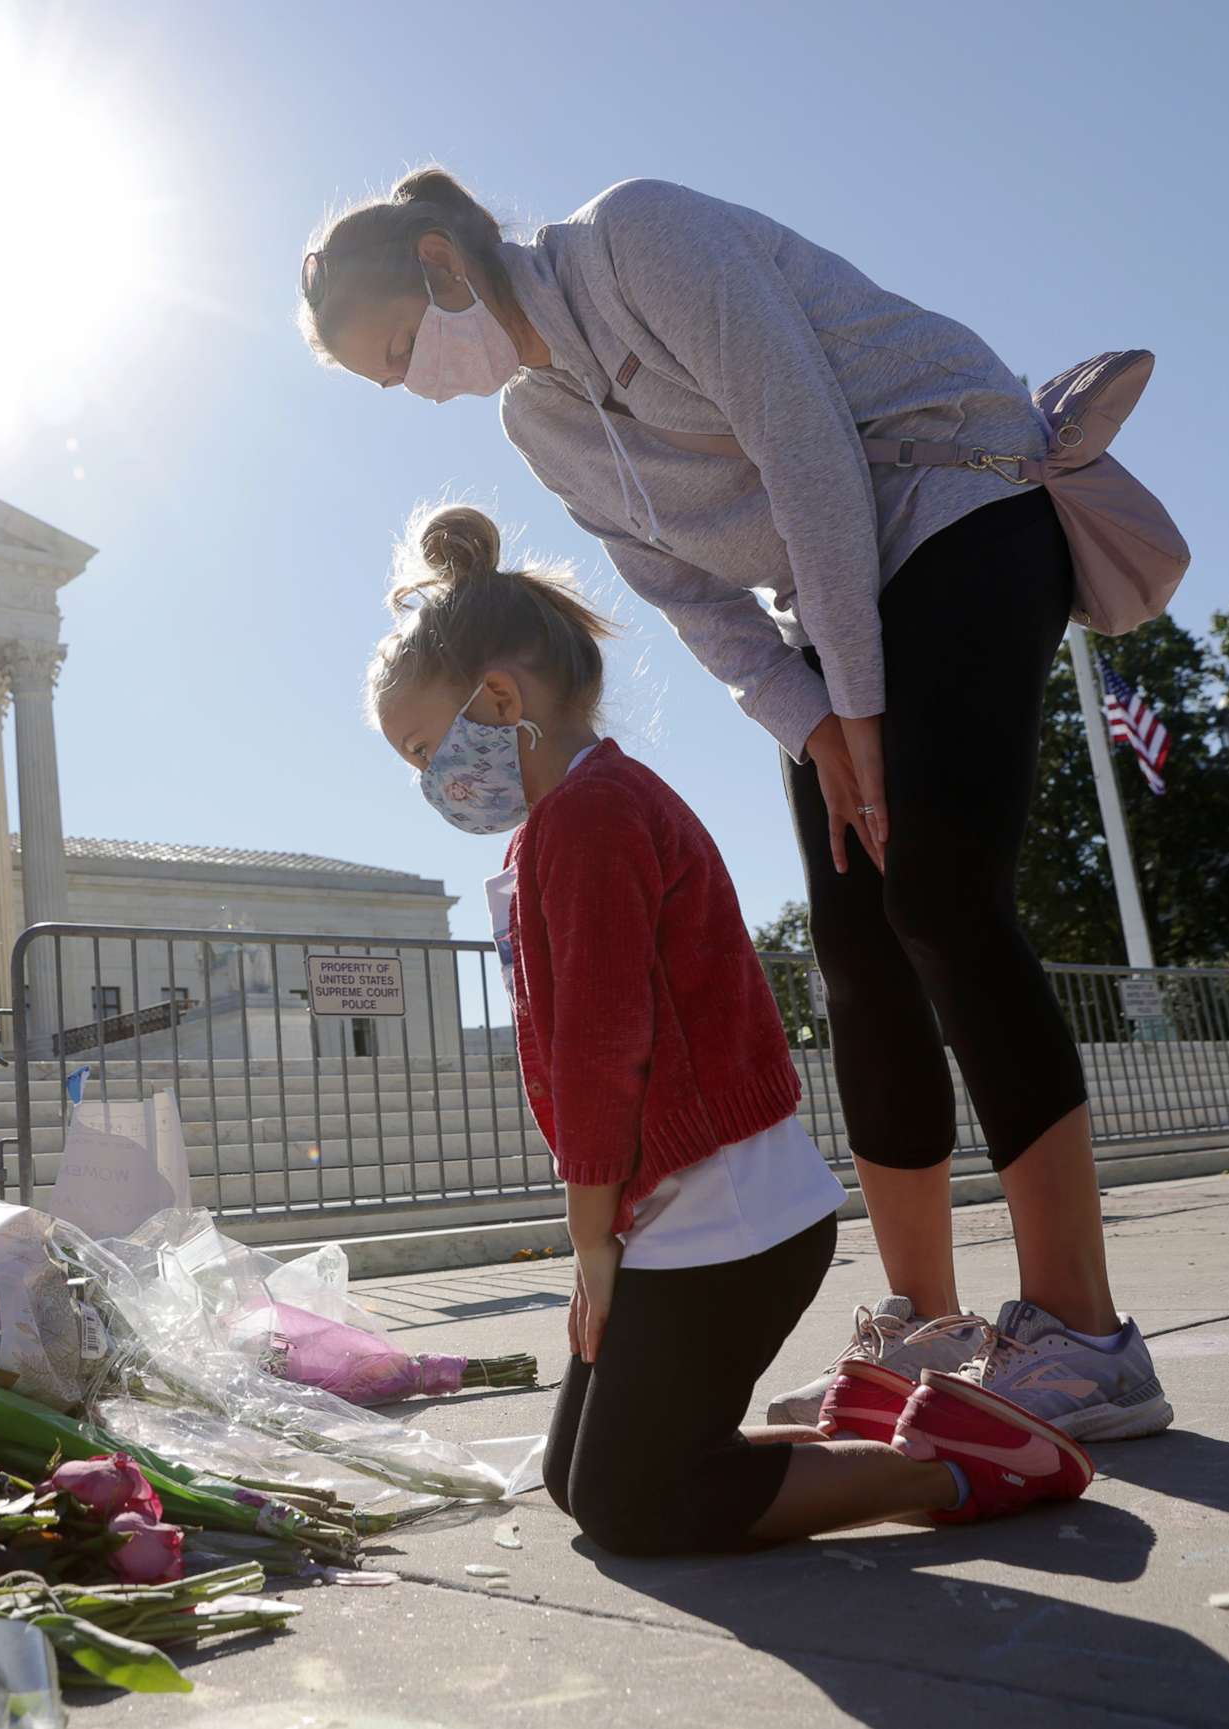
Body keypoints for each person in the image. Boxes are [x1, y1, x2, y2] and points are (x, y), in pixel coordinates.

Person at [302, 169, 1171, 1444]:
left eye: (396, 352)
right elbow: (685, 591)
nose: (414, 387)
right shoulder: (537, 424)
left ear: (442, 266)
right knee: (858, 942)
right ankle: (920, 1323)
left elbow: (805, 444)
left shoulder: (639, 239)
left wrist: (859, 708)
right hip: (822, 614)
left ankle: (1086, 1335)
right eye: (389, 385)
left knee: (933, 884)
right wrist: (816, 723)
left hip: (957, 505)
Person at [367, 504, 1092, 1551]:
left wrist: (588, 1234)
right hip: (688, 1213)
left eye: (426, 747)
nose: (428, 779)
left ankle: (949, 1471)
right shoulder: (563, 823)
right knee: (584, 1482)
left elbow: (603, 1045)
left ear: (499, 699)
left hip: (731, 1221)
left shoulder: (592, 816)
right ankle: (895, 1429)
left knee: (633, 1501)